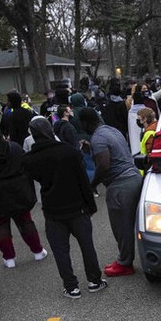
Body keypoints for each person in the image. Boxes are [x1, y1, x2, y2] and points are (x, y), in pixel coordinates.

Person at [22, 117, 105, 298]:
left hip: (52, 210)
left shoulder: (30, 159)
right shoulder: (69, 152)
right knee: (86, 245)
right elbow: (83, 181)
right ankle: (94, 280)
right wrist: (91, 205)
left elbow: (29, 179)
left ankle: (71, 286)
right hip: (78, 207)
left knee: (61, 250)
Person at [76, 107, 143, 277]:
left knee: (121, 227)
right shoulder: (111, 130)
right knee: (136, 223)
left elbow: (104, 165)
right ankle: (131, 259)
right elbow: (113, 152)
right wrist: (91, 148)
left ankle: (125, 263)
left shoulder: (98, 138)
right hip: (134, 178)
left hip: (120, 185)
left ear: (85, 122)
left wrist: (92, 184)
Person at [0, 121, 47, 268]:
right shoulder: (14, 147)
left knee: (0, 226)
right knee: (26, 221)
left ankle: (9, 258)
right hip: (19, 191)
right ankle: (38, 251)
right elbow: (26, 165)